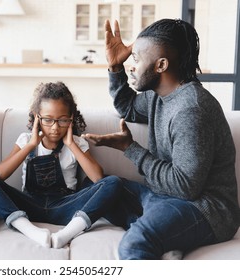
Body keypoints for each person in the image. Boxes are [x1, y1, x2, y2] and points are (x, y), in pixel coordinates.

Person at [83, 19, 240, 259]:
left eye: (136, 59)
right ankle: (168, 239)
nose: (131, 66)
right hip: (163, 196)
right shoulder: (160, 94)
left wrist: (130, 148)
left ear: (161, 65)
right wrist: (115, 67)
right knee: (99, 188)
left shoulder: (191, 110)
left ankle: (160, 234)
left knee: (133, 246)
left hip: (204, 209)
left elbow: (185, 187)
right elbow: (128, 108)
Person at [0, 81, 122, 248]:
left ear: (71, 119)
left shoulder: (78, 143)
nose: (55, 128)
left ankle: (68, 233)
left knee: (113, 182)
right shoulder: (25, 140)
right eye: (48, 120)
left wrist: (71, 145)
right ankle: (29, 230)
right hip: (29, 207)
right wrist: (31, 145)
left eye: (62, 120)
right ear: (37, 117)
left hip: (65, 207)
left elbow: (97, 177)